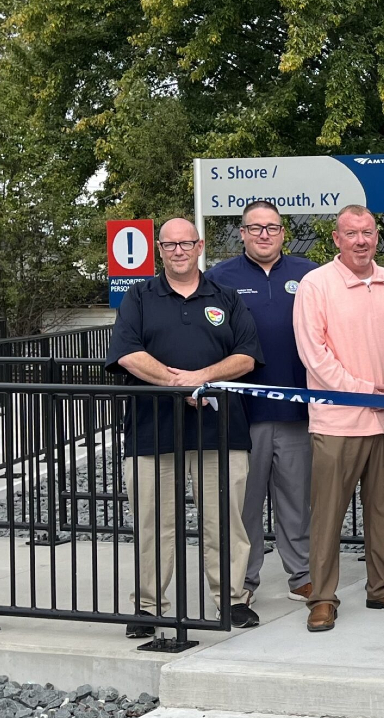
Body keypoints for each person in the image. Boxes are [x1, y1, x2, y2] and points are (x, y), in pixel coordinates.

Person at [105, 218, 261, 637]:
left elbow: (246, 355)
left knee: (224, 521)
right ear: (159, 249)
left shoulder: (225, 297)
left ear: (200, 247)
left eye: (186, 243)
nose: (178, 250)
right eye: (170, 244)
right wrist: (178, 383)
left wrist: (204, 376)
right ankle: (149, 606)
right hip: (151, 430)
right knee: (154, 523)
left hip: (220, 429)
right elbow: (126, 353)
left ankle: (231, 599)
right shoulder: (140, 296)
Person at [294, 204, 384, 632]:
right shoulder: (315, 285)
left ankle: (382, 585)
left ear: (377, 238)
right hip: (338, 423)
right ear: (336, 239)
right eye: (352, 233)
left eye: (368, 232)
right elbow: (315, 357)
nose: (362, 241)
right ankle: (323, 597)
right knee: (328, 515)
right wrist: (369, 392)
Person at [205, 201, 317, 604]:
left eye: (271, 228)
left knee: (295, 501)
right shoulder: (219, 278)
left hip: (296, 411)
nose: (264, 235)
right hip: (242, 415)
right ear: (242, 233)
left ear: (284, 232)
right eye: (255, 228)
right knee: (243, 505)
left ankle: (301, 574)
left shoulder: (307, 274)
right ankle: (243, 580)